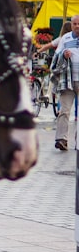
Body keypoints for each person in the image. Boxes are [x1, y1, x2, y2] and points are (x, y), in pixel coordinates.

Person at [50, 14, 79, 150]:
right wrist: (63, 54)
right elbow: (56, 57)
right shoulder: (65, 38)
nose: (77, 26)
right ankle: (62, 139)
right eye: (75, 24)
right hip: (67, 80)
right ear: (71, 24)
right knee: (64, 111)